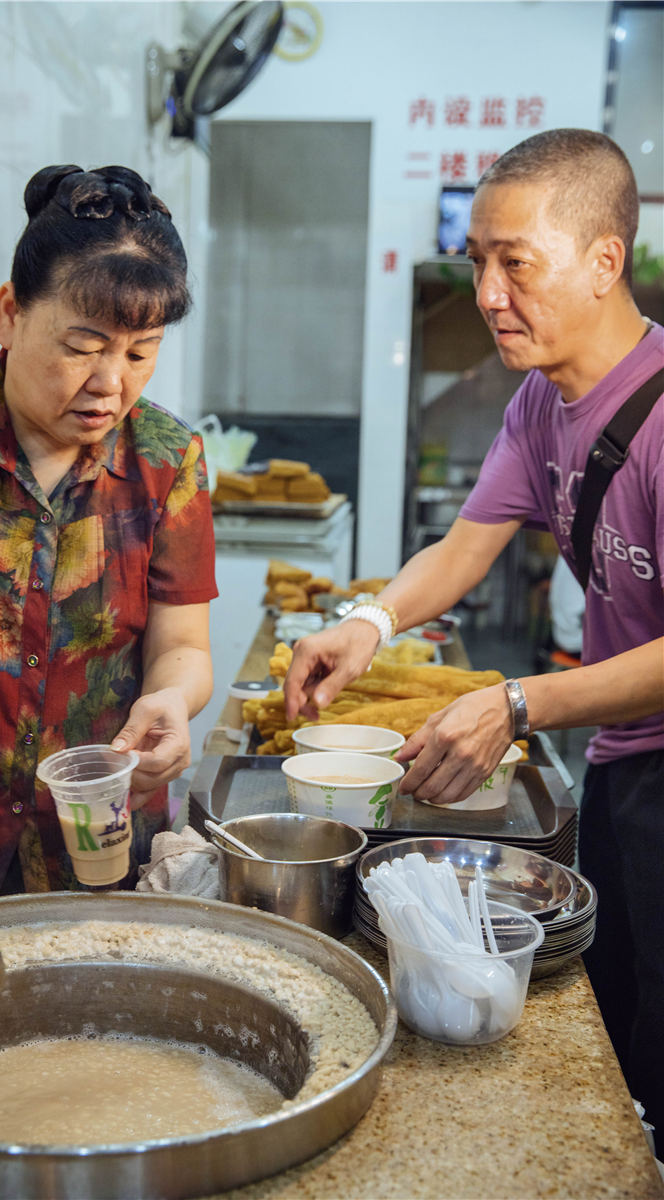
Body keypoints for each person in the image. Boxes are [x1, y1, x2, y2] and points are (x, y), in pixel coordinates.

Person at [284, 129, 663, 1150]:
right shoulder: (542, 402)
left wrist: (516, 703)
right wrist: (362, 624)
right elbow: (463, 549)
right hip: (627, 763)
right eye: (477, 263)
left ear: (601, 260)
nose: (488, 292)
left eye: (515, 264)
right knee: (620, 1032)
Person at [0, 164, 217, 899]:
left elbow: (182, 647)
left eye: (140, 353)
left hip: (94, 844)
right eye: (83, 346)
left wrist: (172, 703)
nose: (110, 383)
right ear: (9, 313)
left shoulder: (166, 459)